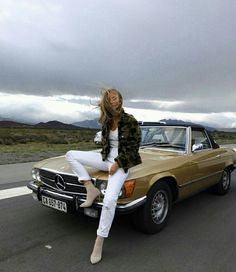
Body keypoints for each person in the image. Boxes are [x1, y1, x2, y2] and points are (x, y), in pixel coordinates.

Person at [65, 88, 142, 264]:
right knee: (70, 154)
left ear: (120, 99)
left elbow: (134, 148)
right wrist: (107, 160)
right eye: (109, 99)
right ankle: (89, 188)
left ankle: (99, 241)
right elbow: (103, 143)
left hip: (121, 163)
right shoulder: (107, 121)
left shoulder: (130, 121)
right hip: (104, 158)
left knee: (109, 200)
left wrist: (117, 164)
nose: (113, 101)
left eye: (115, 98)